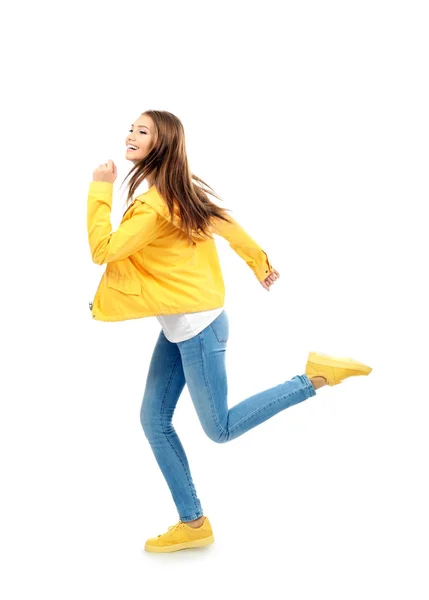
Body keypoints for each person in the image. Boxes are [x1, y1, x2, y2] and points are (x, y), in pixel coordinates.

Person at [87, 110, 373, 553]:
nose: (130, 135)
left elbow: (103, 250)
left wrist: (100, 188)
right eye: (131, 128)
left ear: (160, 145)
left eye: (142, 131)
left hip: (198, 332)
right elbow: (227, 226)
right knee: (153, 419)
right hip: (184, 327)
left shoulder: (154, 204)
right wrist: (258, 261)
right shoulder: (177, 191)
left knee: (218, 429)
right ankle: (194, 523)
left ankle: (314, 377)